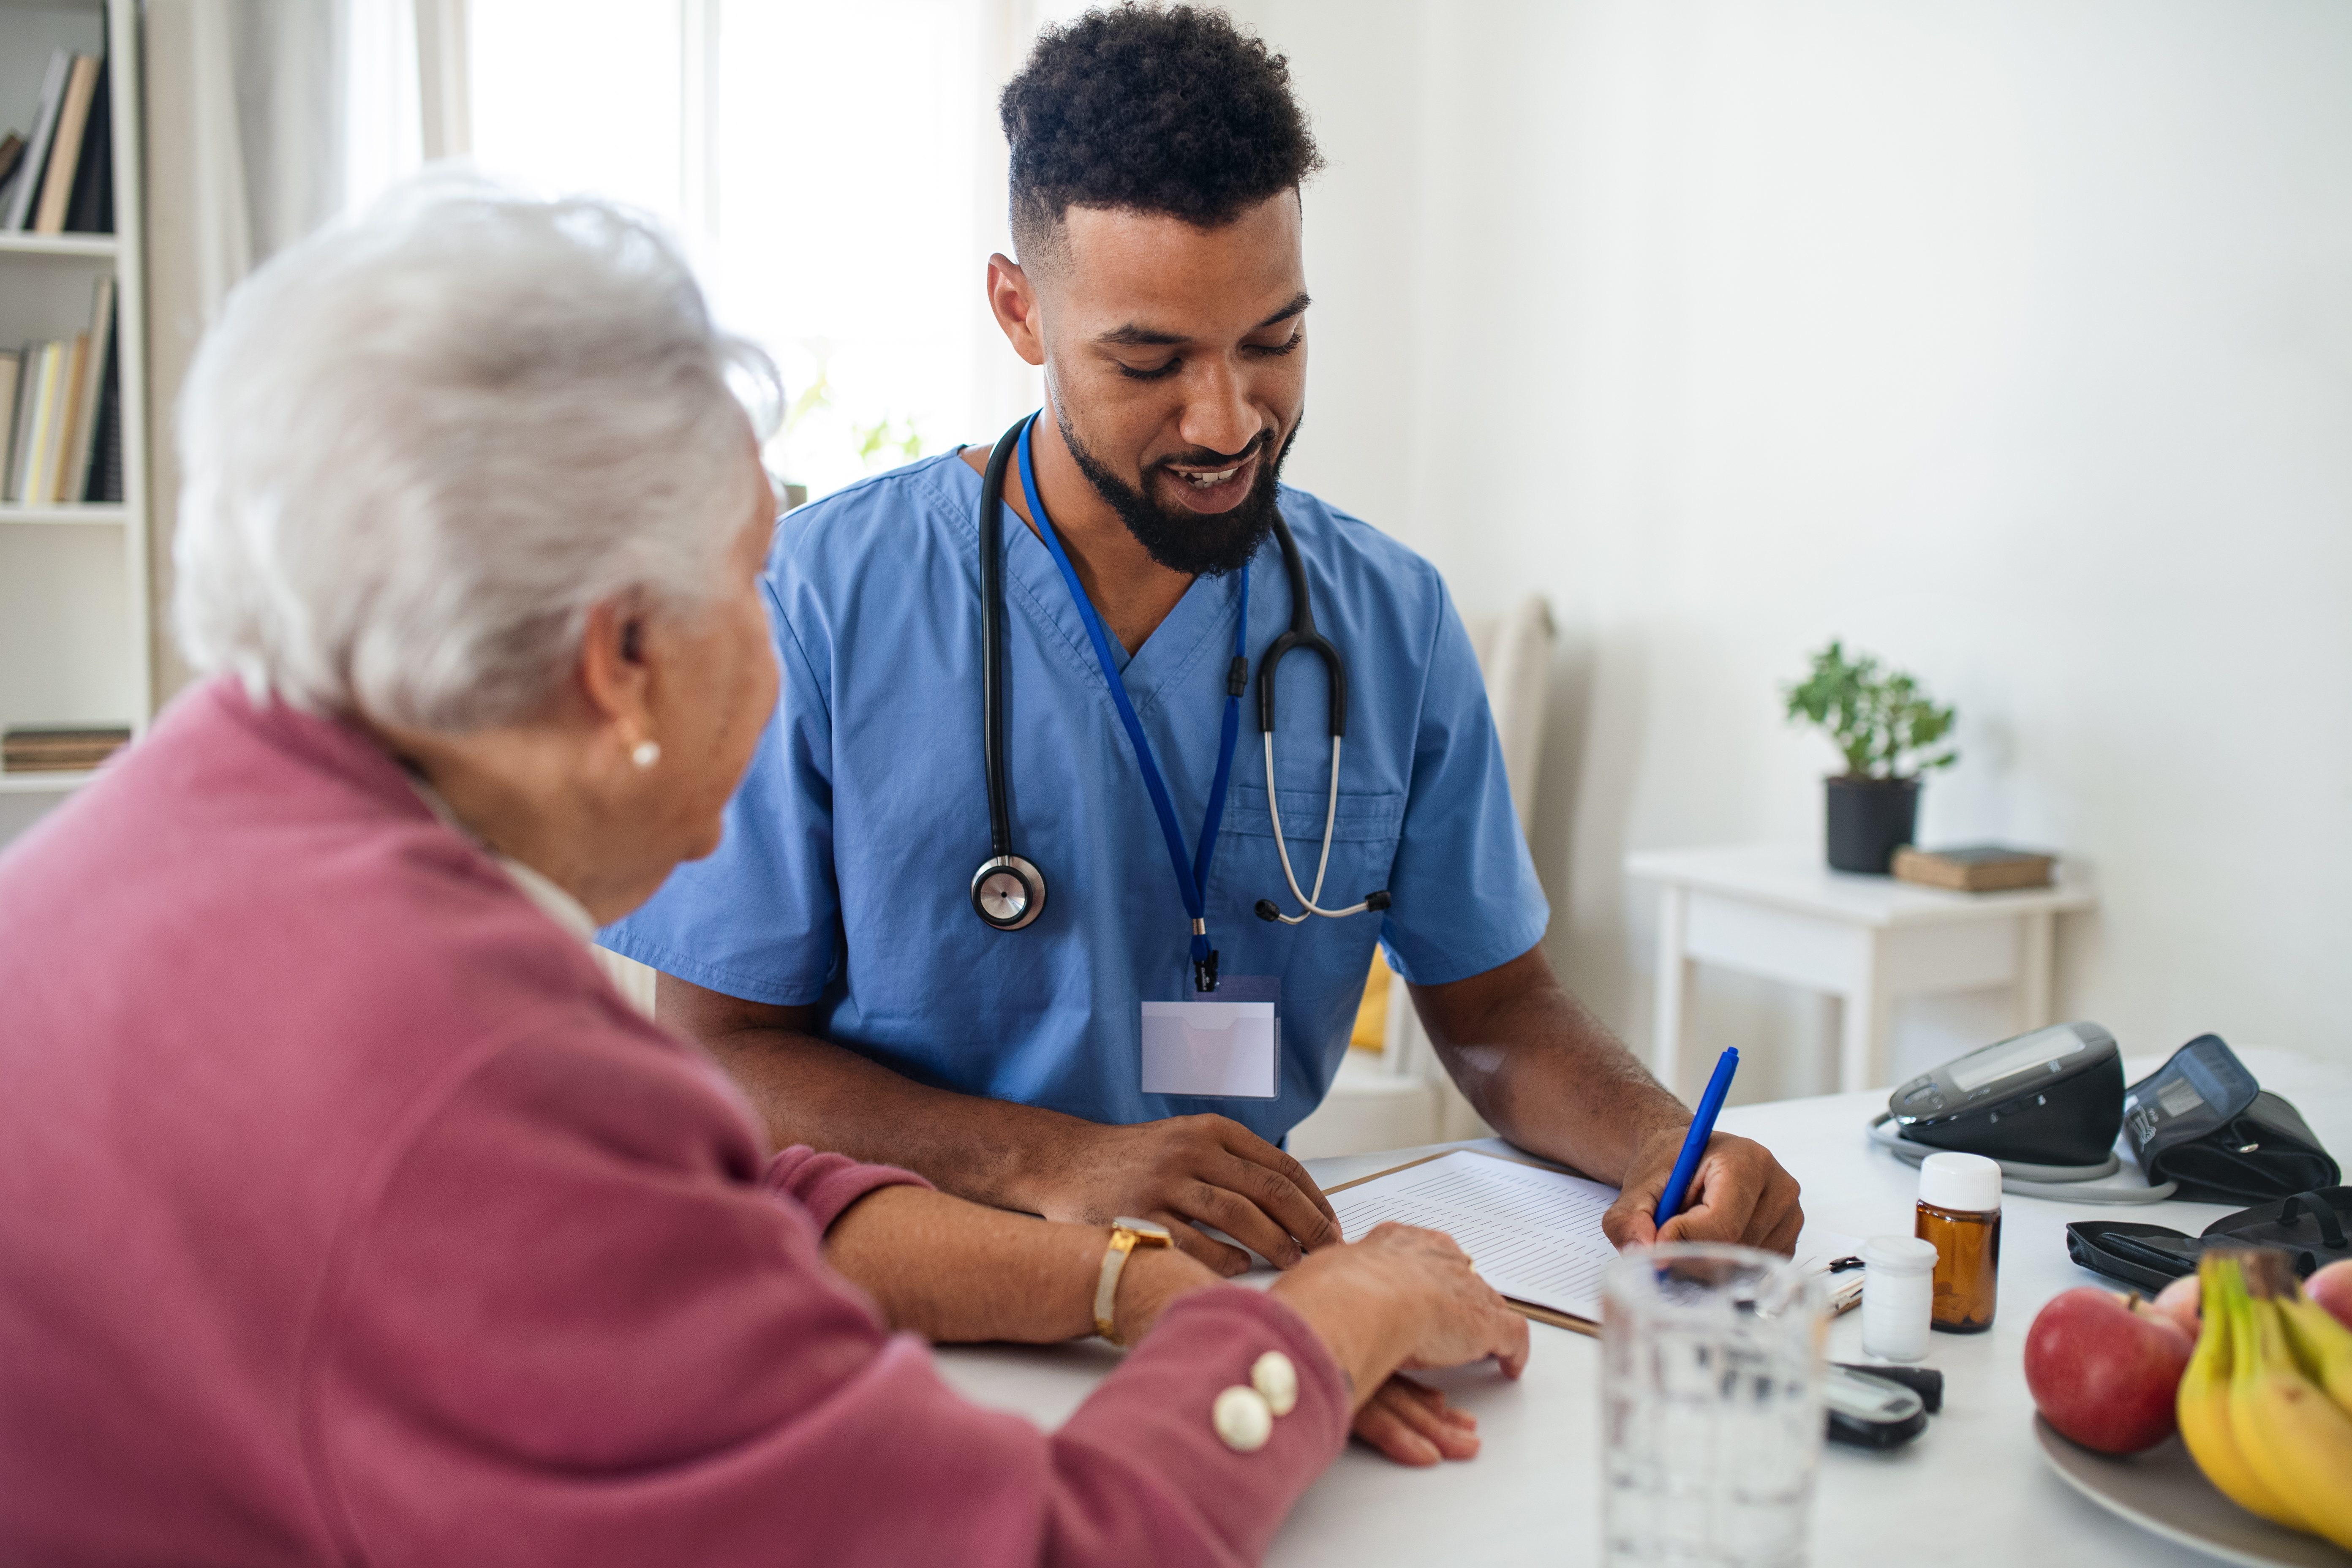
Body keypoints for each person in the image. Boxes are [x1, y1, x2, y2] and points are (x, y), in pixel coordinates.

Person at [0, 181, 1530, 1565]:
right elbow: (1047, 1548)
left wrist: (1108, 1279)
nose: (782, 623)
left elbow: (724, 1184)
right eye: (752, 573)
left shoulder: (148, 848)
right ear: (622, 660)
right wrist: (1322, 1335)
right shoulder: (472, 1076)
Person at [602, 5, 1804, 1274]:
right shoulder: (817, 604)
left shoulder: (1389, 619)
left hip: (1242, 1290)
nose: (1230, 420)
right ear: (1021, 313)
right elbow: (716, 1054)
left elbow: (1498, 1012)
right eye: (1151, 360)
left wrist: (1669, 1146)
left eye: (1274, 340)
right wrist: (1056, 1160)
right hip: (910, 1293)